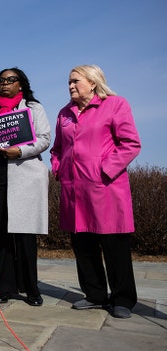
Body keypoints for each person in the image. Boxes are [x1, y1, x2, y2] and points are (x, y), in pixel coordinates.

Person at [50, 65, 141, 319]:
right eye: (68, 81)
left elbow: (130, 143)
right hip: (74, 190)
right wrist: (58, 169)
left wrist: (105, 169)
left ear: (92, 82)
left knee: (114, 245)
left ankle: (122, 298)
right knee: (83, 244)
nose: (70, 85)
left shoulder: (115, 105)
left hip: (106, 188)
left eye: (75, 81)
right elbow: (57, 149)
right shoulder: (64, 113)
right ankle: (94, 294)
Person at [0, 67, 51, 307]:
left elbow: (44, 138)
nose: (5, 84)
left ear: (21, 85)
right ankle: (5, 286)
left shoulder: (33, 108)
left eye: (11, 80)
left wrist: (20, 150)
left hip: (21, 174)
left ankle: (31, 288)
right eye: (1, 80)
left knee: (24, 236)